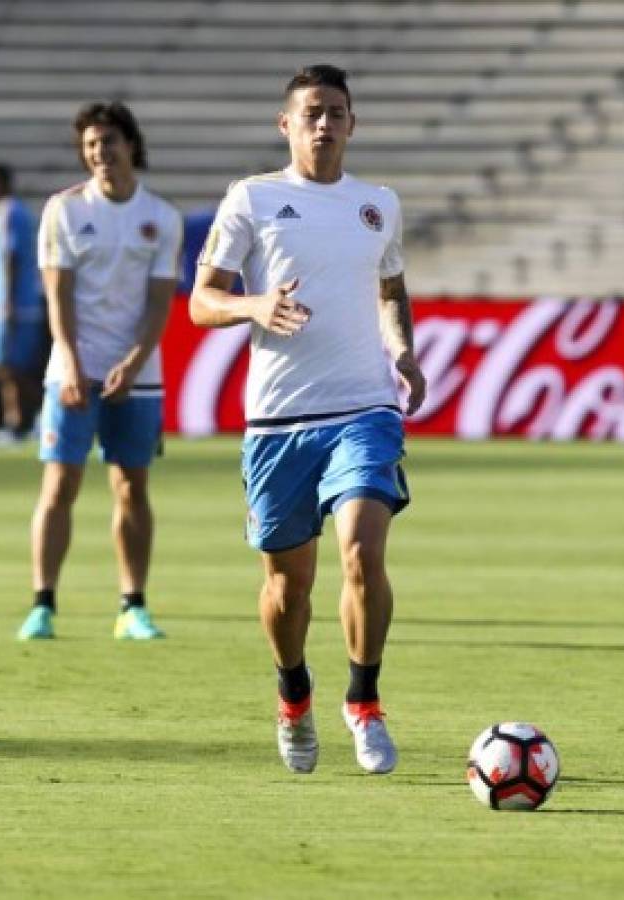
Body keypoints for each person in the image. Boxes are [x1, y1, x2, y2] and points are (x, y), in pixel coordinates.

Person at [189, 65, 426, 775]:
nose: (324, 124)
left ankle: (365, 702)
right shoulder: (253, 198)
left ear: (353, 124)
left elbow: (391, 288)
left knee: (361, 550)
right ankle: (293, 693)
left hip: (363, 407)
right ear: (286, 124)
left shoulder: (377, 204)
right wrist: (253, 306)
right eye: (312, 112)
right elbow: (202, 301)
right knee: (287, 589)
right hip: (278, 421)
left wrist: (403, 352)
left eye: (337, 112)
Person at [16, 101, 182, 642]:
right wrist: (70, 362)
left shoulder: (161, 217)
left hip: (139, 373)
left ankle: (132, 605)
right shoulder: (63, 210)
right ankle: (43, 603)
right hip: (72, 369)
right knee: (60, 482)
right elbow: (56, 294)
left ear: (131, 145)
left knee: (131, 486)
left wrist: (133, 363)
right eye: (90, 145)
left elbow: (159, 304)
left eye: (108, 142)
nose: (99, 153)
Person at [0, 162, 44, 445]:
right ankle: (18, 423)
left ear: (0, 182)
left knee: (9, 367)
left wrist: (9, 302)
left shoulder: (10, 213)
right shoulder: (4, 213)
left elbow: (10, 257)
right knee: (3, 367)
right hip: (5, 303)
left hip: (13, 305)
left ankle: (33, 418)